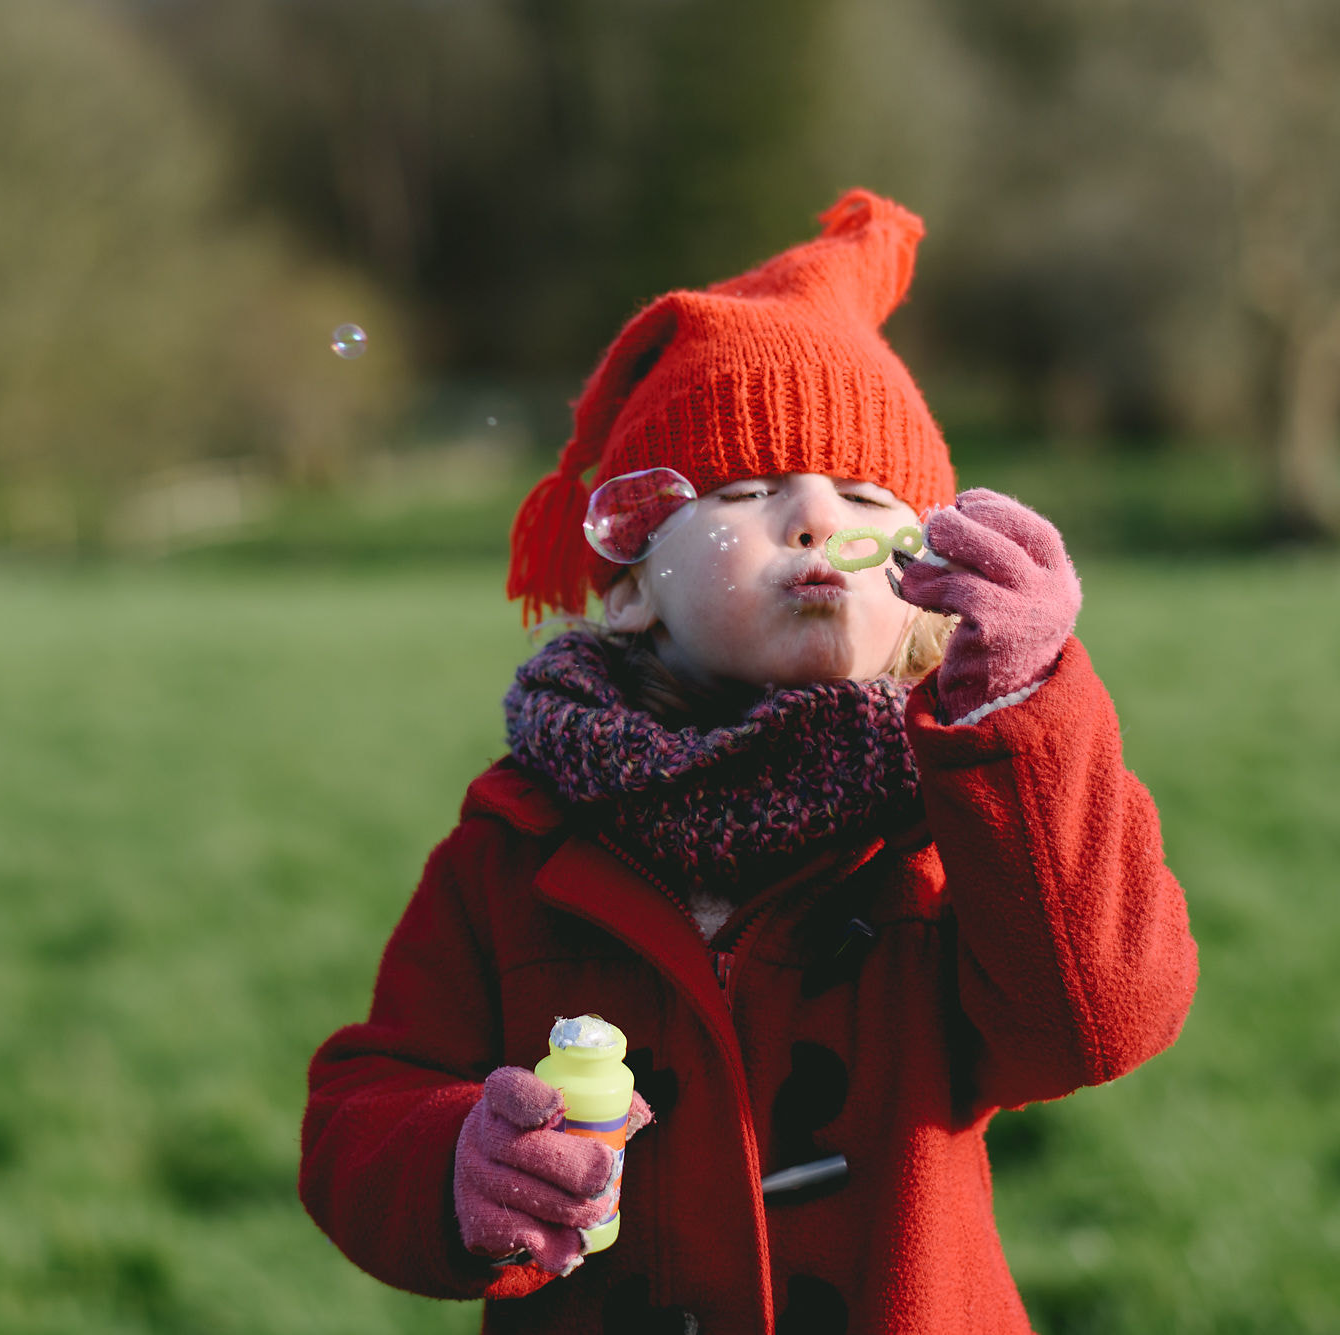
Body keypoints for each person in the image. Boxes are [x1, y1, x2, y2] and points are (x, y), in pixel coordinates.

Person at [297, 189, 1198, 1334]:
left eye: (866, 495)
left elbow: (1099, 1019)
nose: (817, 514)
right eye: (747, 490)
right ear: (626, 585)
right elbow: (356, 1107)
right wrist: (453, 1164)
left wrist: (1025, 708)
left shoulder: (948, 825)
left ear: (915, 596)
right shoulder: (514, 845)